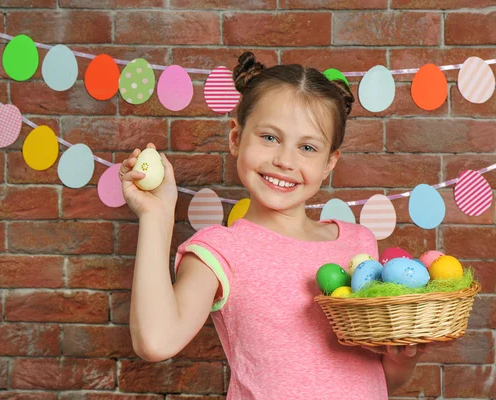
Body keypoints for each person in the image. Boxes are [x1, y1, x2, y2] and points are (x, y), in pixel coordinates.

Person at [119, 52, 428, 399]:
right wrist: (156, 215)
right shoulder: (220, 250)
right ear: (236, 137)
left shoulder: (358, 244)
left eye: (307, 147)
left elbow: (369, 378)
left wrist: (402, 361)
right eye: (269, 137)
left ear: (329, 162)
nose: (284, 160)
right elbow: (156, 341)